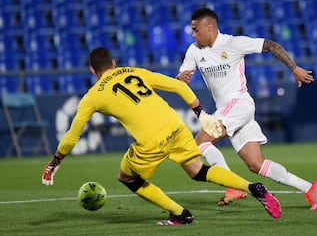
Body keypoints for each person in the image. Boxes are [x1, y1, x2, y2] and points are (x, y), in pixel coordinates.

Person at [42, 47, 282, 226]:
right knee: (199, 171)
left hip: (150, 141)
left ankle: (180, 214)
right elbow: (178, 86)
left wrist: (55, 162)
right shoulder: (134, 71)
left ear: (92, 70)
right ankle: (253, 187)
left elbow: (72, 136)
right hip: (175, 126)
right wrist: (200, 112)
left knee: (126, 177)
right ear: (114, 63)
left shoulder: (92, 96)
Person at [177, 7, 317, 210]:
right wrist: (181, 79)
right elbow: (181, 80)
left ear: (209, 27)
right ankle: (309, 187)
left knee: (200, 141)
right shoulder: (194, 50)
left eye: (196, 30)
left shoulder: (233, 43)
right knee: (256, 164)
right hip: (228, 109)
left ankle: (232, 187)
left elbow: (270, 45)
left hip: (239, 103)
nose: (193, 35)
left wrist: (294, 68)